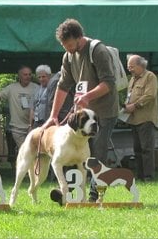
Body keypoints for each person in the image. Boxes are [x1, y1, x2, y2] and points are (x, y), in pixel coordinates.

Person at [46, 18, 120, 202]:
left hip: (104, 111)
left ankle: (95, 196)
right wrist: (53, 115)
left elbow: (109, 83)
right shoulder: (68, 56)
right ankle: (71, 193)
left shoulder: (98, 51)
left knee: (97, 152)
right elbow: (63, 86)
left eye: (70, 45)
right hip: (84, 114)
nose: (68, 49)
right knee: (73, 149)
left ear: (80, 38)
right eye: (64, 46)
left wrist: (87, 97)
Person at [0, 65, 39, 165]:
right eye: (25, 74)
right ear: (19, 76)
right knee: (25, 148)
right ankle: (26, 170)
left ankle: (30, 170)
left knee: (32, 149)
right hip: (17, 127)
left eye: (29, 74)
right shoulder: (11, 88)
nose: (27, 76)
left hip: (33, 126)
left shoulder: (37, 88)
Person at [124, 54, 158, 182]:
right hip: (134, 120)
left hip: (146, 119)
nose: (129, 69)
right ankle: (140, 175)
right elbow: (129, 96)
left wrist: (135, 105)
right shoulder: (132, 79)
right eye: (128, 67)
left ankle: (148, 176)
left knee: (147, 149)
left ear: (140, 65)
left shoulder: (150, 76)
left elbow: (150, 95)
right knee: (137, 149)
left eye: (132, 66)